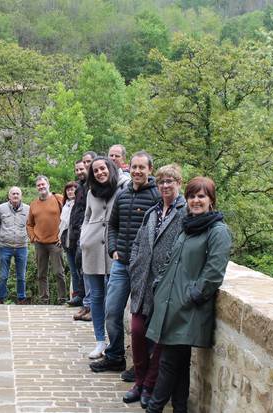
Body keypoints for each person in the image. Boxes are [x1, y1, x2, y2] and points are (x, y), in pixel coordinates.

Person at [145, 177, 232, 413]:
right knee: (179, 364)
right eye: (192, 196)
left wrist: (193, 295)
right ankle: (180, 408)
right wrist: (158, 283)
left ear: (211, 201)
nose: (195, 201)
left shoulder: (218, 231)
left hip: (188, 309)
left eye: (201, 196)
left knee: (167, 363)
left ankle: (153, 408)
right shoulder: (188, 227)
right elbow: (171, 261)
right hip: (170, 305)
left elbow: (214, 271)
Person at [90, 151, 161, 373]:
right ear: (128, 168)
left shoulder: (157, 196)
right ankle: (115, 356)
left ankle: (144, 364)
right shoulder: (123, 195)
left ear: (150, 170)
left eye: (142, 167)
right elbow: (113, 226)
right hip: (121, 264)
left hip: (145, 267)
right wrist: (113, 249)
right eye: (135, 167)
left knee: (144, 317)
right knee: (112, 311)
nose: (138, 171)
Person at [124, 164, 186, 409]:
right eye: (161, 182)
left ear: (179, 183)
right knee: (138, 333)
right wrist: (133, 266)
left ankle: (150, 385)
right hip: (142, 283)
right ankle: (139, 382)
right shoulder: (153, 212)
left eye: (170, 181)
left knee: (160, 340)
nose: (165, 186)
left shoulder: (184, 212)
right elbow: (139, 242)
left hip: (166, 286)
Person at [79, 156, 123, 359]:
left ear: (110, 168)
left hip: (115, 249)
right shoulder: (91, 193)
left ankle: (116, 345)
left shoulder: (123, 187)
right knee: (96, 297)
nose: (99, 173)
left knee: (113, 300)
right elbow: (87, 217)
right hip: (92, 249)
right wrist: (83, 237)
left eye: (102, 168)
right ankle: (99, 341)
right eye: (95, 171)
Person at [27, 175, 67, 305]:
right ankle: (44, 300)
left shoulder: (59, 199)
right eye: (38, 185)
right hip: (40, 244)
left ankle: (62, 300)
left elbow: (68, 217)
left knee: (59, 273)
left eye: (43, 184)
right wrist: (33, 237)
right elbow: (29, 224)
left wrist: (63, 236)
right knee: (41, 274)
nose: (41, 187)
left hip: (56, 242)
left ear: (48, 185)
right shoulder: (33, 204)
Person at [70, 152, 95, 321]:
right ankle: (86, 305)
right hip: (79, 233)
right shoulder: (80, 186)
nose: (83, 168)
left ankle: (92, 307)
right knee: (82, 270)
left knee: (90, 271)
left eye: (87, 163)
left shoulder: (94, 185)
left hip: (90, 233)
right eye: (79, 167)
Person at [0, 186, 30, 304]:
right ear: (9, 196)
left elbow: (31, 225)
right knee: (3, 275)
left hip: (22, 246)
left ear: (21, 196)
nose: (15, 196)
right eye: (13, 194)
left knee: (21, 275)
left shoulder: (28, 209)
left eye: (17, 194)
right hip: (5, 246)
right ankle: (1, 298)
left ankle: (21, 298)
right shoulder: (0, 208)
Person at [58, 181, 80, 308]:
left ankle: (80, 295)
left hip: (76, 241)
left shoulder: (79, 205)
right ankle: (76, 294)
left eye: (73, 189)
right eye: (68, 190)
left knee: (79, 270)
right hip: (67, 241)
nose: (71, 192)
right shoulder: (65, 206)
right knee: (73, 270)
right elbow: (63, 225)